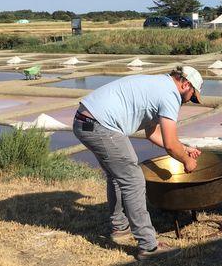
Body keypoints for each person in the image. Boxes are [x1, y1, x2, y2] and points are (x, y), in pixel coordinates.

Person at [73, 66, 203, 260]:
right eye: (191, 96)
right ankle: (149, 247)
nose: (189, 101)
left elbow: (152, 133)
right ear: (186, 84)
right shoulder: (170, 94)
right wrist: (186, 161)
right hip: (101, 125)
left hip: (86, 120)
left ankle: (120, 227)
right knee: (133, 180)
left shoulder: (158, 85)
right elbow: (169, 144)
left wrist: (183, 148)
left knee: (118, 175)